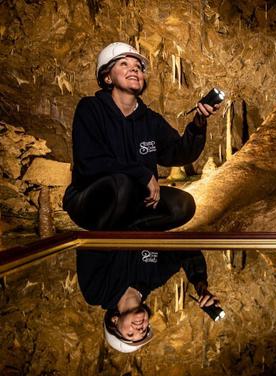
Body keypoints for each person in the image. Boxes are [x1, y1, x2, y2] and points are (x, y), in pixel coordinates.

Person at [62, 42, 219, 352]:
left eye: (138, 65)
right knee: (121, 185)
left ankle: (134, 225)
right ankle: (134, 220)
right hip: (91, 201)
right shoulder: (90, 110)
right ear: (107, 77)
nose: (140, 328)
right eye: (124, 64)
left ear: (112, 322)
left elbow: (178, 152)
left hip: (131, 208)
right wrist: (142, 173)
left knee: (183, 204)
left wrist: (199, 122)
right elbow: (90, 162)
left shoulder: (97, 293)